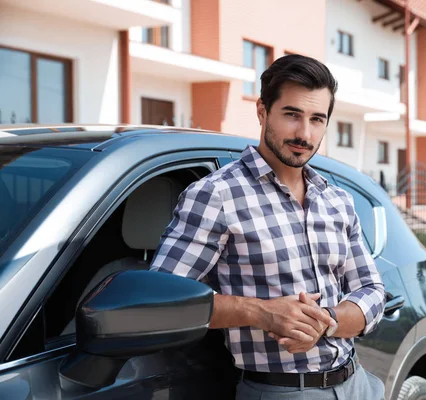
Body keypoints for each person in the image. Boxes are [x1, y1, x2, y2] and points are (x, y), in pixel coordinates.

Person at [149, 54, 386, 400]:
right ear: (262, 111)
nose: (305, 133)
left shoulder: (337, 200)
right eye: (292, 115)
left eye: (317, 119)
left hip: (358, 385)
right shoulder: (217, 195)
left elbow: (372, 290)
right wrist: (261, 313)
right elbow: (162, 300)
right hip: (281, 391)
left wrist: (325, 321)